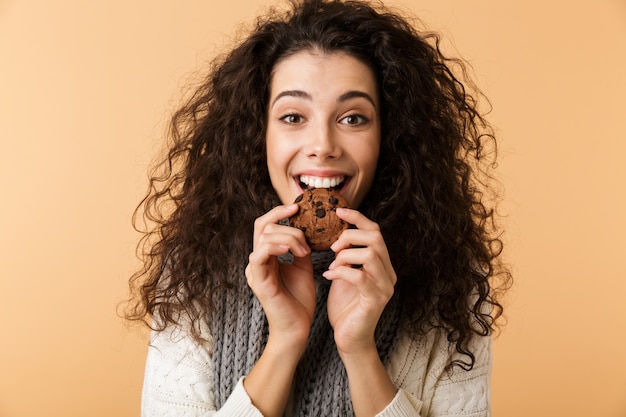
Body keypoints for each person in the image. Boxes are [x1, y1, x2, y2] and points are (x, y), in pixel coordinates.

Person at [125, 0, 512, 415]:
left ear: (391, 135)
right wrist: (285, 340)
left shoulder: (453, 281)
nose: (323, 146)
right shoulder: (194, 271)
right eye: (293, 117)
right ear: (260, 134)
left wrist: (360, 349)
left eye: (353, 118)